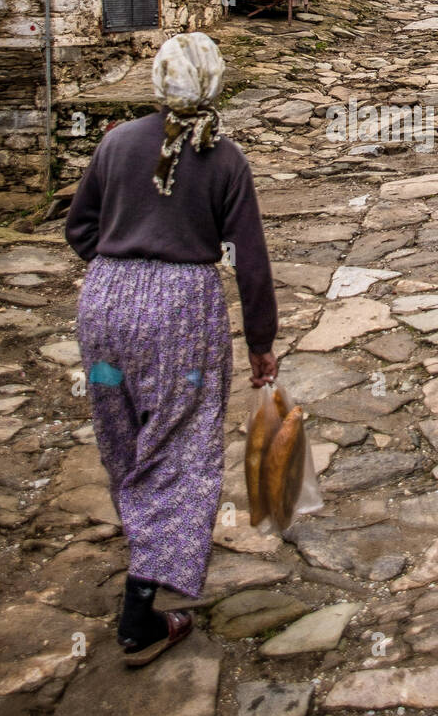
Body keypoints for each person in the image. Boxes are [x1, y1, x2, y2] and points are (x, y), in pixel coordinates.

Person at [65, 32, 278, 668]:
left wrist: (118, 265)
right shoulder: (224, 159)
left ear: (159, 82)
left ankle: (143, 552)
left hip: (104, 308)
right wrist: (261, 343)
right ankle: (139, 614)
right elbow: (250, 263)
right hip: (180, 316)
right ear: (214, 83)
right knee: (179, 450)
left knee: (124, 441)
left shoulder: (116, 143)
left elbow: (80, 227)